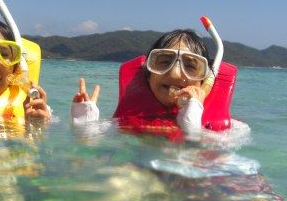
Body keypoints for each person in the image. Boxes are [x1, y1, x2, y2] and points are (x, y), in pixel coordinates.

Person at [71, 29, 212, 138]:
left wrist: (192, 127)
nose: (175, 73)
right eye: (164, 62)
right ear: (148, 75)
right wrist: (84, 125)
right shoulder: (121, 124)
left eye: (191, 66)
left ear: (204, 81)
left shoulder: (228, 131)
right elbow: (84, 151)